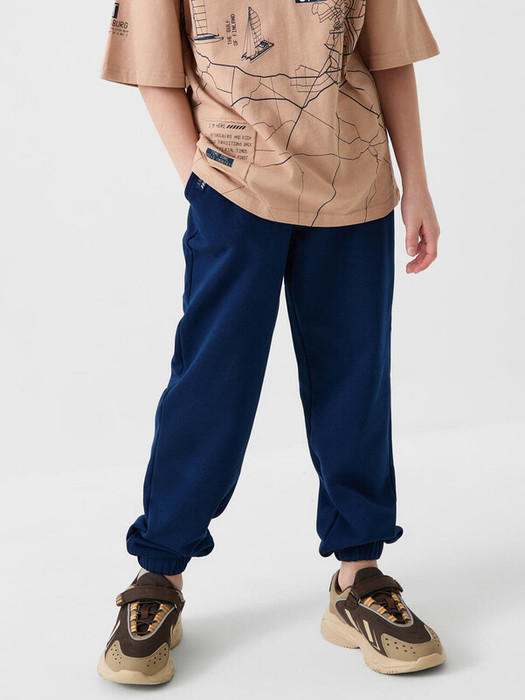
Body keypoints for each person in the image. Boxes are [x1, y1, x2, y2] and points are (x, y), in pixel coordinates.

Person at [97, 0, 445, 684]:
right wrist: (198, 183)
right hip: (233, 185)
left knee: (355, 381)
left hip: (355, 183)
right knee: (211, 384)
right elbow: (152, 67)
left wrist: (418, 187)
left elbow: (389, 56)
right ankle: (159, 573)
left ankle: (358, 574)